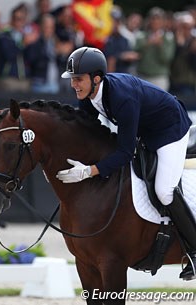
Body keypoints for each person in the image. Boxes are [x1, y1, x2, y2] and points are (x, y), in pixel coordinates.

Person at [56, 46, 196, 281]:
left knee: (164, 190)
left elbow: (125, 152)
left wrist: (89, 171)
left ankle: (194, 249)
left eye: (78, 79)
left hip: (170, 130)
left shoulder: (122, 97)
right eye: (72, 79)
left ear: (96, 78)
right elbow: (84, 128)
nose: (74, 85)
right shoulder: (89, 95)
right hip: (146, 129)